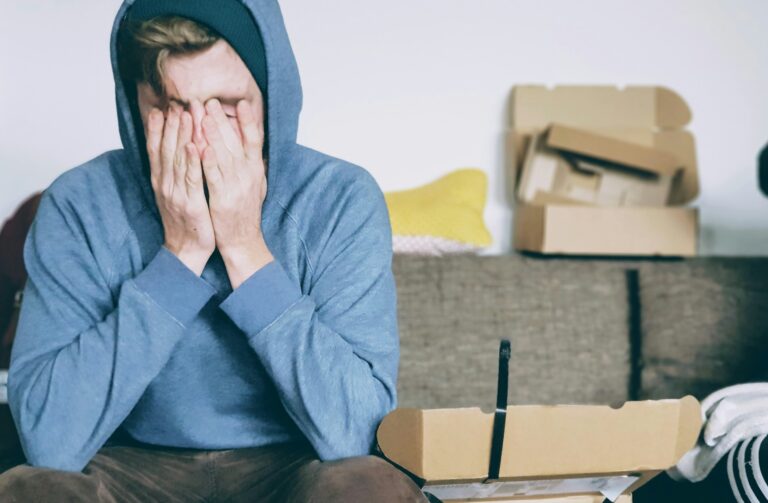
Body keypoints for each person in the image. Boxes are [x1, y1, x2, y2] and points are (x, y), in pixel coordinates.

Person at [0, 1, 426, 501]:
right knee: (29, 490)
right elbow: (50, 443)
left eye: (226, 105)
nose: (200, 139)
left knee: (370, 487)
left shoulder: (340, 198)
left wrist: (245, 247)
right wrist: (180, 257)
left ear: (271, 94)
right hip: (127, 466)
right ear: (134, 107)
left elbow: (357, 435)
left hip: (295, 464)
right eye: (171, 108)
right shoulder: (78, 203)